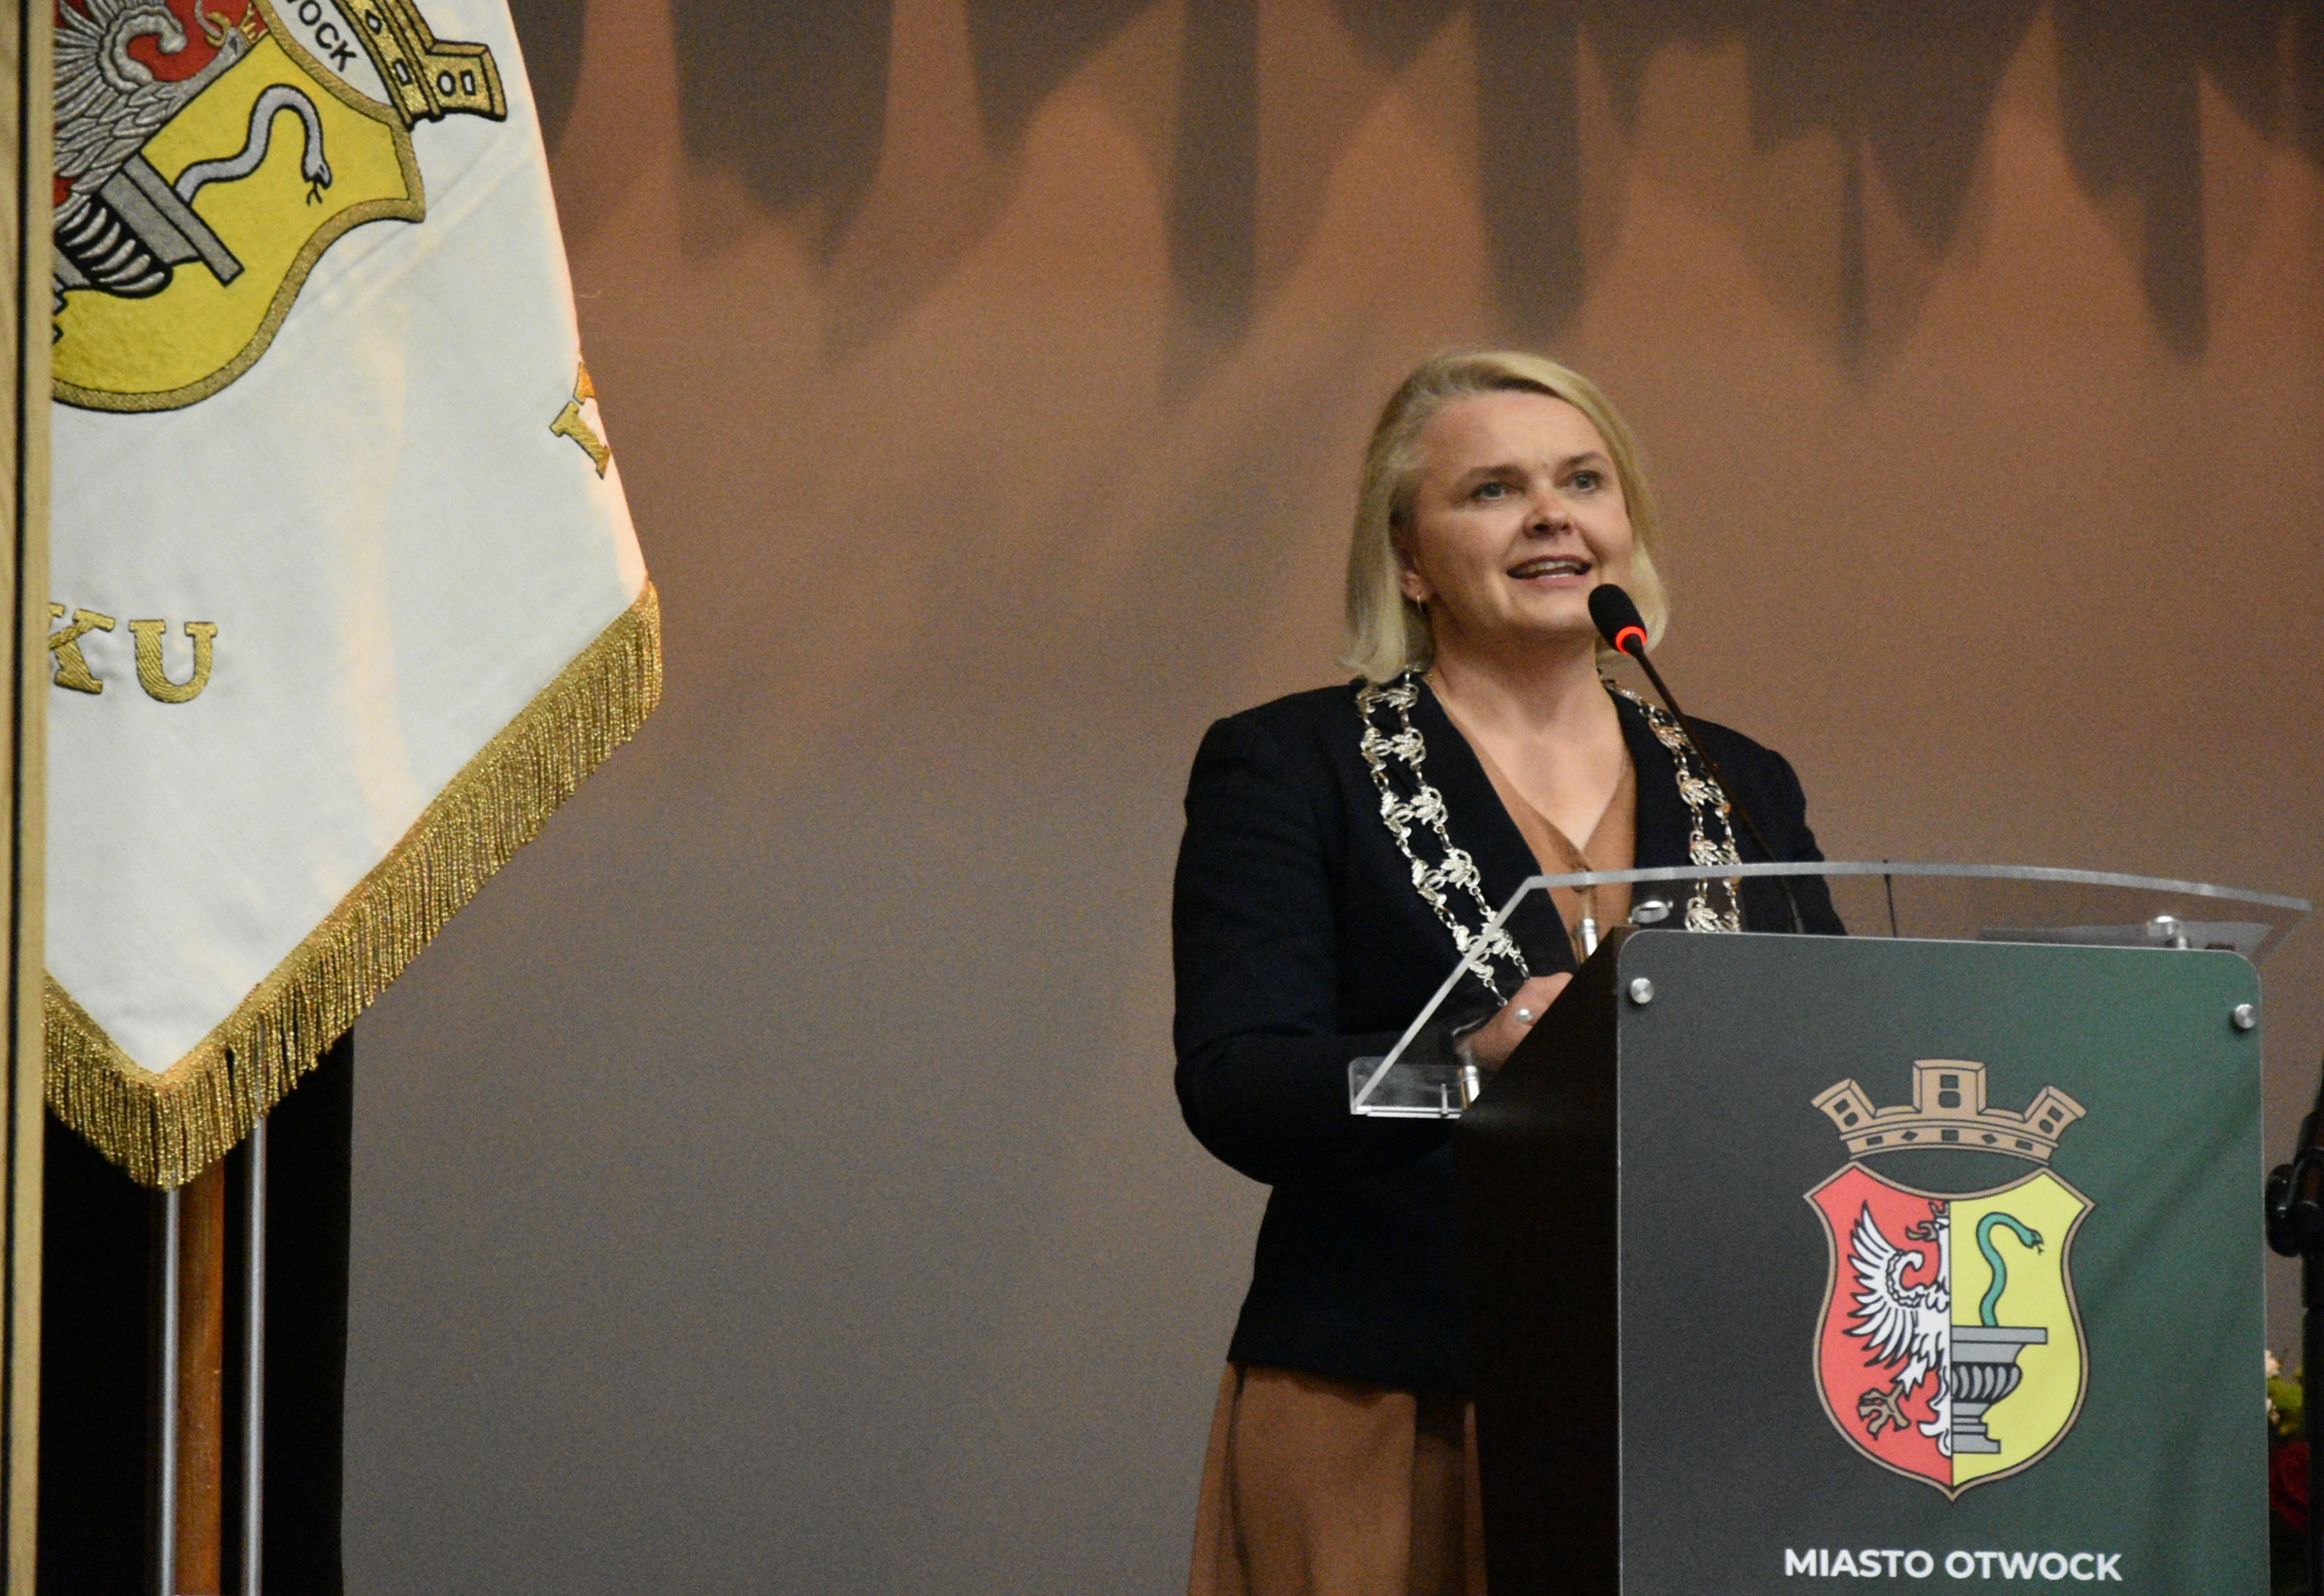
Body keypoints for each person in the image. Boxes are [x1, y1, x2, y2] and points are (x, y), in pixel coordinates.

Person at [1172, 350, 1842, 1596]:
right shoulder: (1291, 765)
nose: (1550, 515)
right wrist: (1464, 1058)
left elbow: (1835, 1056)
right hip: (1396, 1400)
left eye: (1584, 481)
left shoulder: (1741, 778)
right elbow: (1237, 1081)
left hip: (1696, 1398)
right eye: (1493, 490)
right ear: (1410, 560)